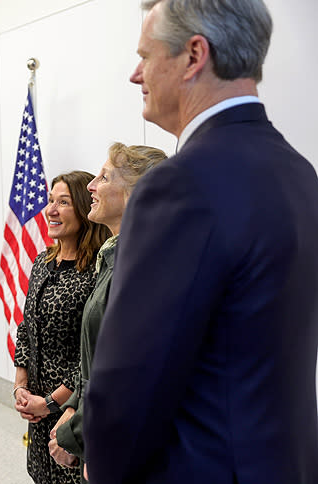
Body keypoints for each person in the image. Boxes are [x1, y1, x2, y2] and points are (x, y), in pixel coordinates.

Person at [83, 1, 318, 483]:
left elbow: (131, 381)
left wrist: (101, 467)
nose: (135, 74)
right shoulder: (299, 172)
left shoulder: (178, 185)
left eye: (145, 56)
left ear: (194, 55)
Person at [47, 144, 167, 481]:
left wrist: (78, 434)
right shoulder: (115, 256)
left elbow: (124, 373)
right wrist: (74, 412)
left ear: (134, 194)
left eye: (104, 177)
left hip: (120, 443)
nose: (91, 186)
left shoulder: (141, 265)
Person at [12, 170, 110, 484]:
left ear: (84, 209)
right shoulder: (42, 262)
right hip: (37, 409)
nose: (51, 210)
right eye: (51, 201)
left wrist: (52, 402)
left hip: (74, 411)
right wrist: (21, 387)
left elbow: (94, 353)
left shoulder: (98, 271)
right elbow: (27, 328)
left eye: (63, 202)